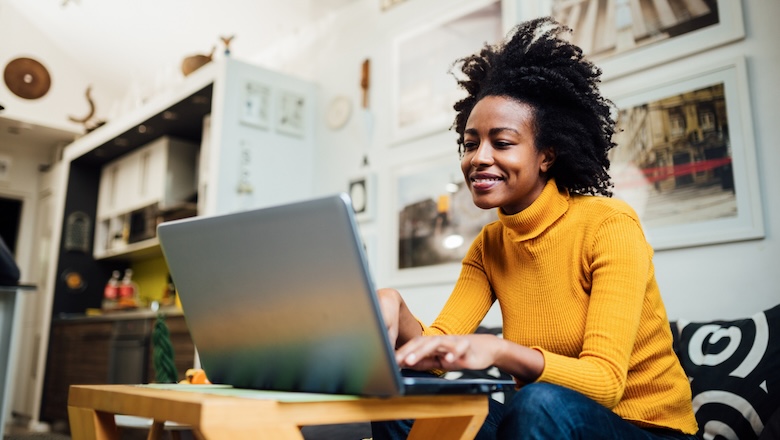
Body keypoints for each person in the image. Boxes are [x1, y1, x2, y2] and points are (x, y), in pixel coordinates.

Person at [372, 17, 698, 440]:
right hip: (540, 423)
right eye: (470, 144)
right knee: (403, 395)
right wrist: (396, 309)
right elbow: (436, 354)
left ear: (546, 155)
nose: (478, 158)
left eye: (502, 142)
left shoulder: (610, 225)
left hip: (648, 430)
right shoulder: (490, 245)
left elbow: (605, 384)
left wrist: (499, 350)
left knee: (537, 401)